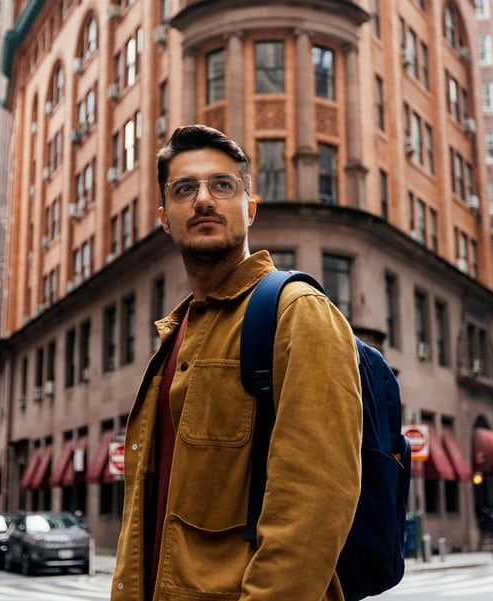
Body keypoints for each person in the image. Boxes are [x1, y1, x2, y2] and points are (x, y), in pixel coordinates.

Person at [110, 124, 363, 601]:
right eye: (185, 189)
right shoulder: (176, 336)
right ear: (164, 218)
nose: (204, 200)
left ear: (250, 208)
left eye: (222, 185)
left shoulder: (297, 312)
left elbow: (314, 506)